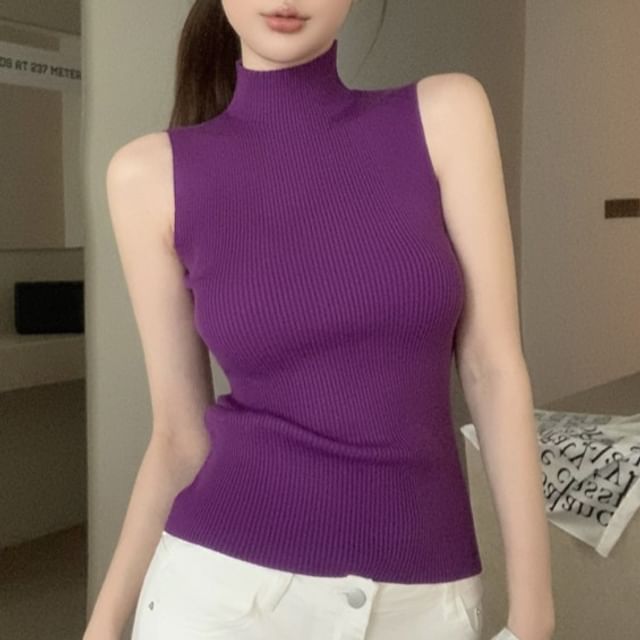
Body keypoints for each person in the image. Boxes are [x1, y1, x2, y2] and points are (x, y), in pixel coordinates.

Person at [84, 1, 555, 639]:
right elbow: (178, 436)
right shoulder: (146, 177)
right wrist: (104, 625)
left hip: (426, 604)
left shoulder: (447, 116)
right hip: (221, 597)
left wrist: (534, 616)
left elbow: (492, 369)